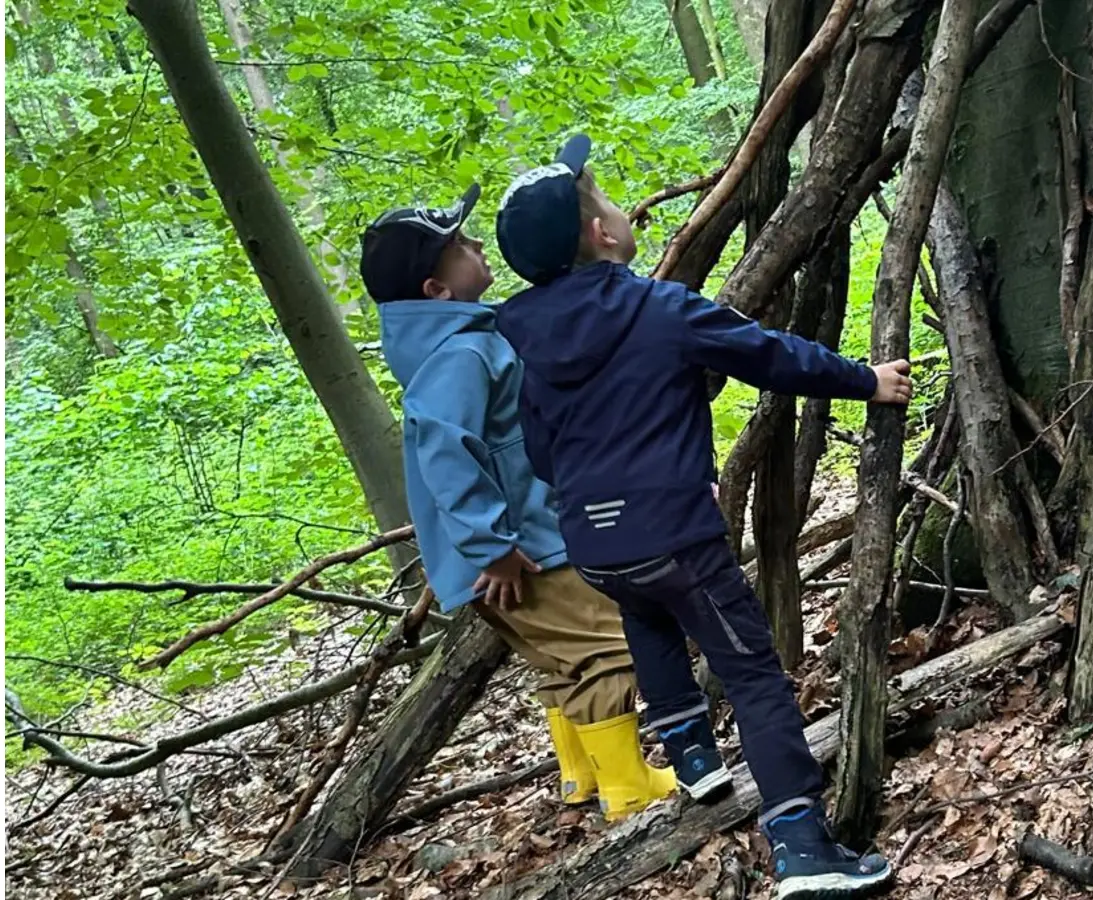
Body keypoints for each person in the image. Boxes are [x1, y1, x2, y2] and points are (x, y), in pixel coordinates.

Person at [494, 135, 912, 899]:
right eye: (606, 201)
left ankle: (693, 755)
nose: (617, 209)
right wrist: (866, 380)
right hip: (674, 534)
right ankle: (802, 845)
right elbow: (769, 354)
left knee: (646, 616)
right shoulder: (662, 310)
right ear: (600, 233)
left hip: (593, 539)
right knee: (751, 673)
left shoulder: (531, 344)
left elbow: (543, 455)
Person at [359, 184, 675, 822]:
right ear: (436, 290)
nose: (476, 245)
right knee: (603, 648)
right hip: (523, 546)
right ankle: (627, 788)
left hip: (507, 546)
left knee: (559, 661)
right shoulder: (458, 353)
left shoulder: (461, 339)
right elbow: (446, 455)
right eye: (458, 246)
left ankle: (581, 776)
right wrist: (494, 547)